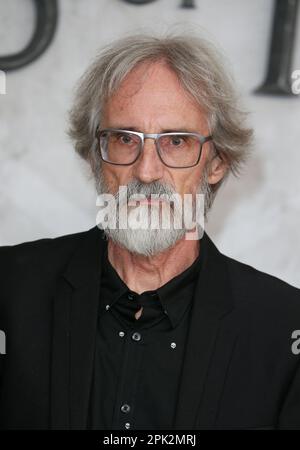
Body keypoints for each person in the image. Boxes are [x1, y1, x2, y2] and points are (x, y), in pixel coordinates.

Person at [0, 32, 299, 430]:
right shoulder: (8, 287)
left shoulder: (282, 327)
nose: (146, 171)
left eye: (176, 142)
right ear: (95, 157)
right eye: (125, 139)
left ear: (216, 163)